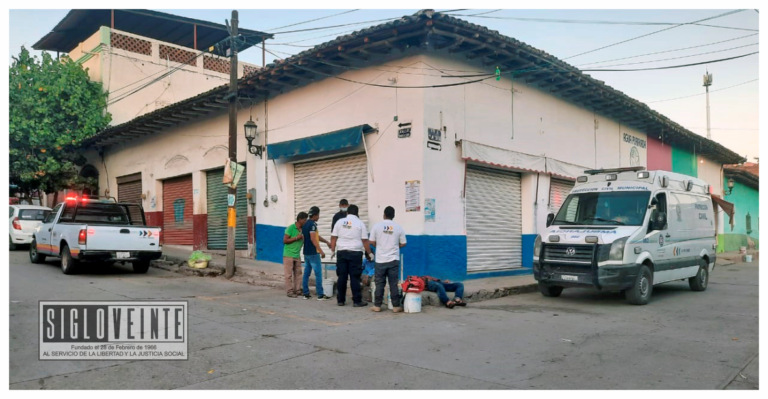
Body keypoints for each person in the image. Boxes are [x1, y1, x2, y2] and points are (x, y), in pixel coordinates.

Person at [330, 204, 373, 307]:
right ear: (357, 213)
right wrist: (370, 252)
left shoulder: (339, 222)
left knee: (342, 277)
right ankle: (357, 301)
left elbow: (333, 237)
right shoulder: (360, 223)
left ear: (347, 212)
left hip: (341, 252)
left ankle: (340, 300)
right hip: (355, 253)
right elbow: (364, 240)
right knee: (355, 277)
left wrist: (332, 250)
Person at [368, 206, 407, 313]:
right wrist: (394, 246)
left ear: (384, 215)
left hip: (380, 259)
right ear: (393, 216)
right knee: (393, 283)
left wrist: (379, 246)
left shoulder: (377, 226)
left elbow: (371, 241)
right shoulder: (398, 227)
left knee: (379, 283)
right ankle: (395, 306)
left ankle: (377, 306)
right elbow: (403, 243)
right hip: (393, 259)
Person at [302, 206, 332, 300]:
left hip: (306, 252)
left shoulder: (306, 224)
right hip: (313, 253)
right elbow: (313, 238)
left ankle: (306, 294)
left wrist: (326, 241)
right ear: (315, 215)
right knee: (318, 273)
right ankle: (320, 294)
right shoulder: (312, 225)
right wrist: (321, 251)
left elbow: (316, 237)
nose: (319, 217)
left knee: (306, 273)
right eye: (318, 215)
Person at [282, 212, 307, 298]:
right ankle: (290, 291)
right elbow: (285, 240)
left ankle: (297, 290)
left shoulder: (303, 229)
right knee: (288, 275)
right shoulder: (291, 228)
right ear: (300, 219)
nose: (305, 221)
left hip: (297, 255)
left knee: (298, 274)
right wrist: (297, 238)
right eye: (304, 220)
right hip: (288, 255)